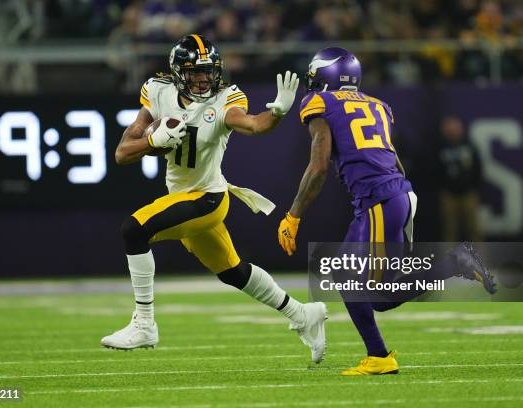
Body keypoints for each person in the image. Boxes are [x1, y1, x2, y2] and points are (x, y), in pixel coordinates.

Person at [100, 34, 327, 364]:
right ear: (179, 73)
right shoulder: (159, 91)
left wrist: (277, 112)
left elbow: (252, 125)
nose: (205, 78)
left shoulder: (224, 101)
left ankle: (145, 324)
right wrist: (152, 140)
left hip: (207, 199)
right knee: (233, 272)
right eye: (196, 72)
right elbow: (123, 153)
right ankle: (303, 314)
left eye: (209, 71)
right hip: (184, 198)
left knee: (134, 230)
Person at [277, 47, 495, 375]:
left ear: (326, 75)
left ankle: (454, 264)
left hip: (381, 202)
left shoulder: (320, 102)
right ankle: (378, 355)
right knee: (344, 274)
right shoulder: (378, 105)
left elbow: (319, 165)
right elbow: (393, 160)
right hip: (391, 198)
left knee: (379, 295)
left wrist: (293, 215)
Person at [437, 115, 483, 242]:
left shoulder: (469, 146)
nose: (452, 130)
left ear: (460, 128)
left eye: (454, 127)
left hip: (468, 193)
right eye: (449, 127)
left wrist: (475, 188)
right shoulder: (440, 147)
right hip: (448, 195)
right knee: (450, 230)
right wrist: (441, 188)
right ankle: (450, 260)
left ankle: (479, 259)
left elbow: (478, 168)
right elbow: (434, 170)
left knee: (473, 229)